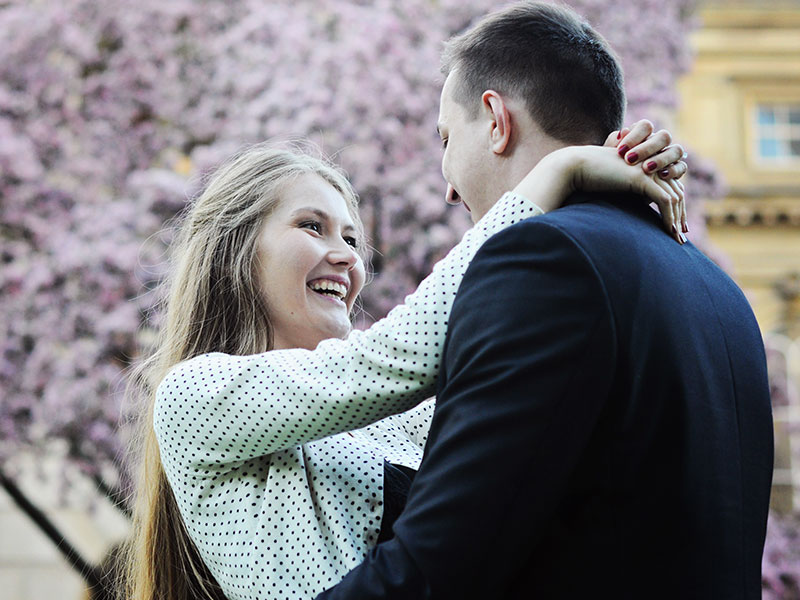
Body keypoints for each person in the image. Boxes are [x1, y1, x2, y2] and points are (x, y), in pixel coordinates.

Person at [316, 3, 774, 600]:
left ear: (496, 119)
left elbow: (438, 571)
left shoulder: (538, 260)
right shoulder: (721, 292)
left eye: (447, 140)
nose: (448, 186)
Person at [122, 130, 686, 600]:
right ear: (237, 250)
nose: (347, 256)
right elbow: (403, 355)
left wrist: (620, 187)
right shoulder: (193, 396)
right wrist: (559, 172)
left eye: (351, 237)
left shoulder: (392, 415)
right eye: (311, 227)